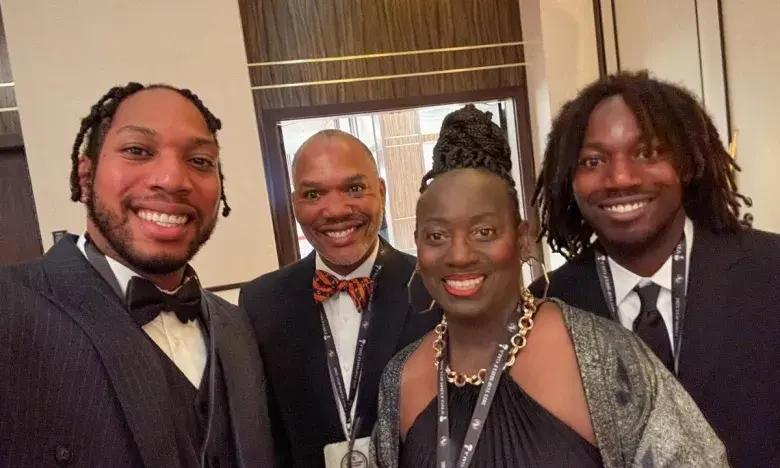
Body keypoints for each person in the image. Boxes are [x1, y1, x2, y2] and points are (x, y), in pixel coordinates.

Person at [373, 105, 727, 467]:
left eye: (484, 232)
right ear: (417, 246)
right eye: (437, 235)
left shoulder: (604, 356)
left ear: (524, 238)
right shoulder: (400, 379)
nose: (459, 255)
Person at [0, 83, 274, 468]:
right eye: (137, 151)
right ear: (85, 175)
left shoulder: (236, 326)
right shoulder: (10, 310)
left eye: (199, 161)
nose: (172, 179)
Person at [531, 71, 780, 467]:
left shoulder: (770, 273)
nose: (621, 178)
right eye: (593, 160)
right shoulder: (546, 307)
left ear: (686, 163)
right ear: (569, 178)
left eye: (647, 153)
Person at [240, 129, 439, 467]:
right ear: (294, 204)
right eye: (314, 193)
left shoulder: (434, 288)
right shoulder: (260, 303)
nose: (334, 210)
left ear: (382, 191)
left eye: (354, 188)